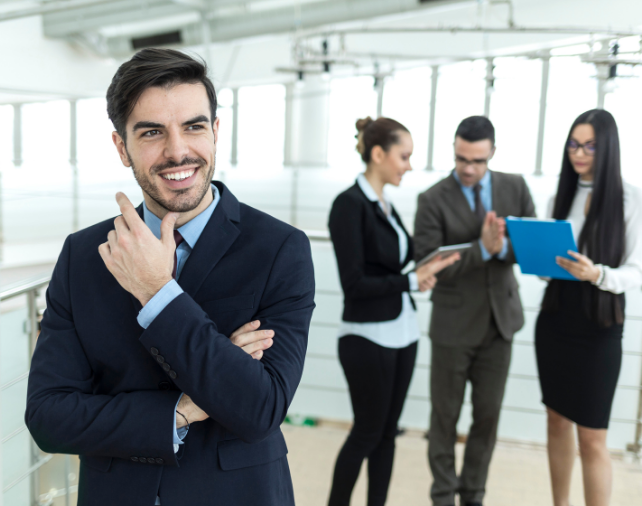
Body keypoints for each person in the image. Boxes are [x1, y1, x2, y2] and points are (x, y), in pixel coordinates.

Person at [25, 48, 315, 506]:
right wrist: (180, 410)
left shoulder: (280, 249)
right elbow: (48, 417)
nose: (178, 150)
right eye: (152, 132)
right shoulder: (83, 255)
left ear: (216, 132)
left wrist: (157, 292)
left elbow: (261, 409)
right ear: (122, 147)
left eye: (194, 126)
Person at [327, 117, 460, 506]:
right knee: (367, 433)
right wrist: (409, 281)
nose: (409, 165)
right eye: (404, 156)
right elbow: (353, 283)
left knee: (387, 434)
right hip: (367, 337)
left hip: (403, 331)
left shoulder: (385, 204)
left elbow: (398, 268)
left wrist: (423, 272)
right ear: (378, 153)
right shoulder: (348, 205)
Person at [413, 116, 536, 506]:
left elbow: (530, 248)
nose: (468, 168)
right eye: (461, 158)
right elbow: (429, 265)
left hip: (500, 324)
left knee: (487, 417)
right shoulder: (431, 199)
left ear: (492, 153)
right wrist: (482, 249)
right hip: (452, 325)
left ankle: (473, 496)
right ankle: (443, 496)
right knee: (444, 418)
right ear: (454, 149)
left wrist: (501, 249)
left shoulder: (515, 187)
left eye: (478, 161)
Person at [536, 109, 642, 506]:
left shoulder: (630, 198)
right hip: (555, 317)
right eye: (573, 144)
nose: (578, 153)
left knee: (592, 435)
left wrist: (597, 274)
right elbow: (550, 270)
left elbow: (636, 272)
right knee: (555, 420)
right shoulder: (559, 195)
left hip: (599, 324)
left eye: (588, 146)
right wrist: (542, 263)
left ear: (608, 149)